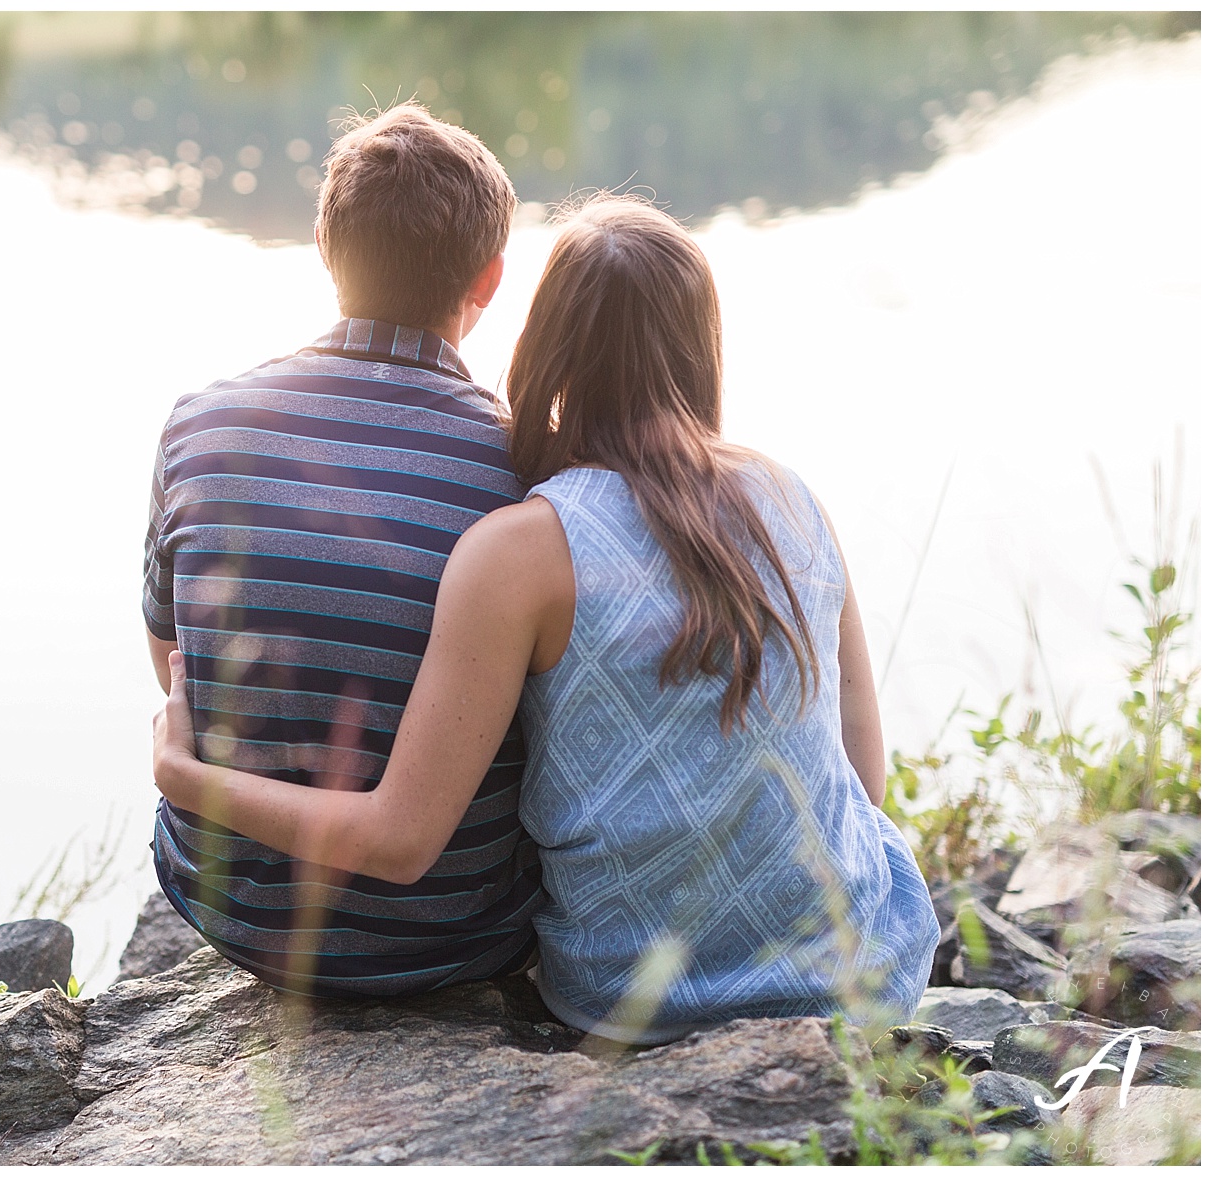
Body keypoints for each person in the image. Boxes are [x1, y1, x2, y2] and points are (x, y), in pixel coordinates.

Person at [153, 195, 939, 1042]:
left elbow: (399, 839)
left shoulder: (520, 549)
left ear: (544, 341)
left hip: (634, 1004)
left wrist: (183, 775)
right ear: (701, 343)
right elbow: (861, 779)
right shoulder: (790, 497)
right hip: (860, 974)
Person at [141, 103, 544, 998]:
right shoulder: (532, 472)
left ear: (325, 249)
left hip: (231, 913)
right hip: (459, 934)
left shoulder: (200, 425)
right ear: (489, 279)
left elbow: (174, 662)